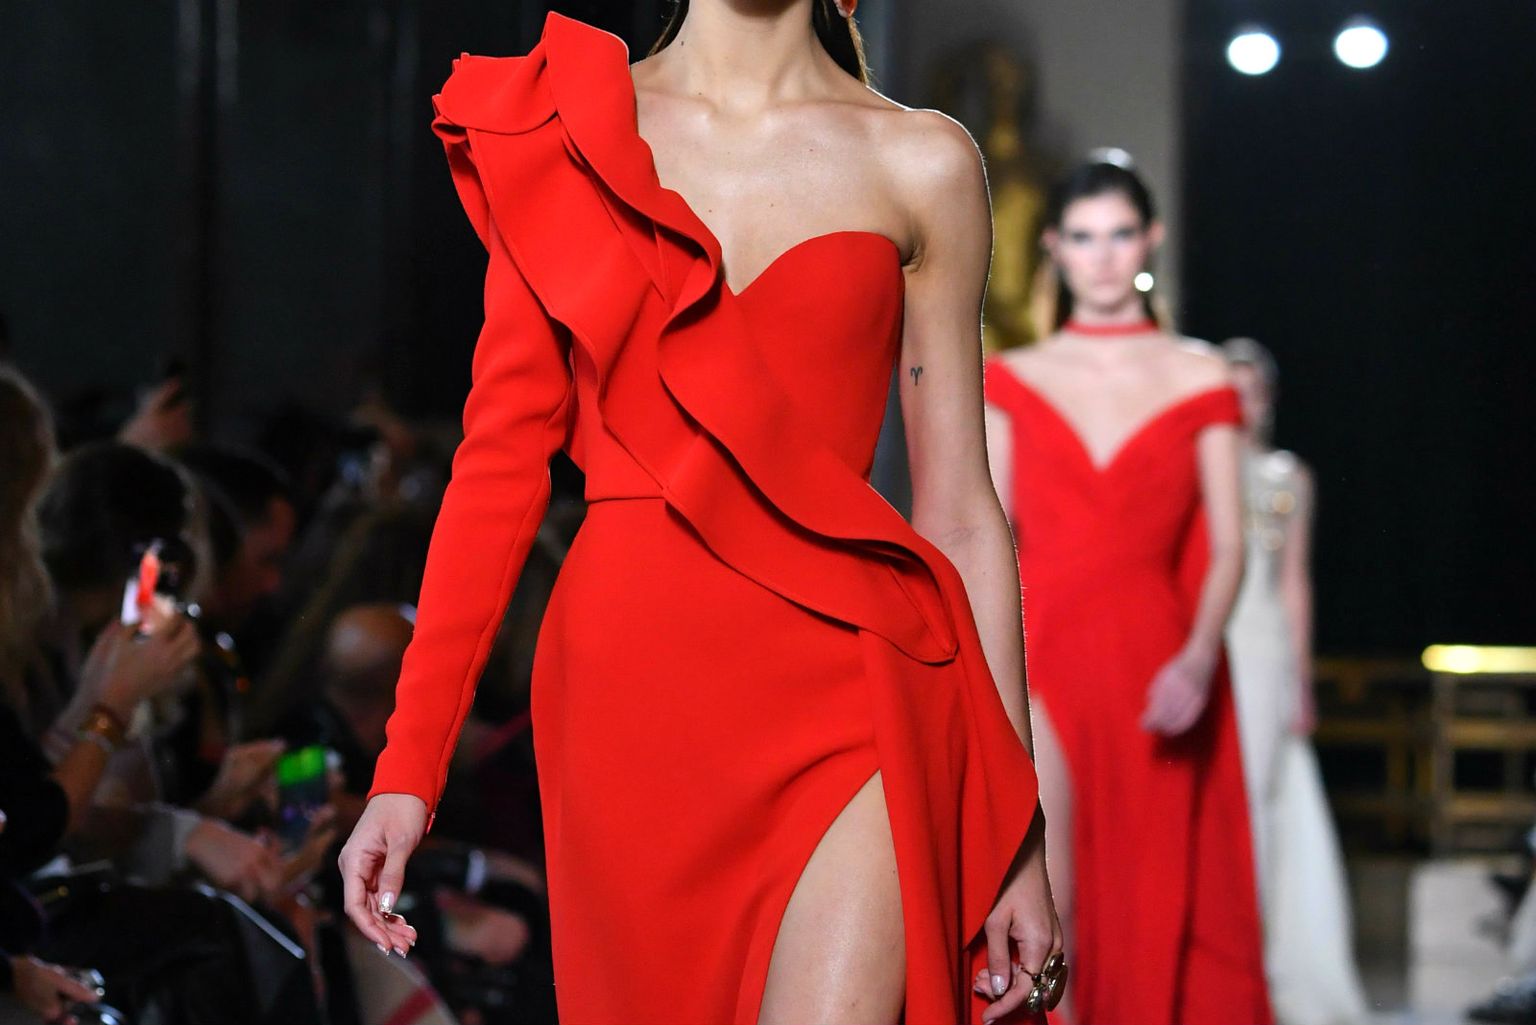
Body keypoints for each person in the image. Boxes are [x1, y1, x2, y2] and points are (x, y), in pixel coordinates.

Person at [338, 2, 1065, 1022]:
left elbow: (960, 513)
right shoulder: (564, 129)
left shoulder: (922, 162)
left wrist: (1014, 822)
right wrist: (407, 767)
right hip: (627, 689)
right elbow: (499, 465)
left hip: (855, 677)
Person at [983, 159, 1270, 1024]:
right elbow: (987, 533)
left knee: (1151, 896)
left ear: (1150, 241)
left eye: (1118, 235)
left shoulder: (1201, 376)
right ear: (1054, 247)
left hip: (1156, 659)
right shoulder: (1012, 379)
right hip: (1043, 654)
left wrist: (1199, 657)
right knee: (1050, 895)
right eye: (1082, 237)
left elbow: (1228, 544)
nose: (1101, 256)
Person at [1222, 337, 1370, 1025]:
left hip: (1262, 648)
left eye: (1253, 389)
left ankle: (1260, 962)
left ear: (1270, 399)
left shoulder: (1289, 477)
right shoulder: (1197, 463)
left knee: (1261, 794)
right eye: (1232, 388)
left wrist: (1301, 677)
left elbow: (1293, 582)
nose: (1243, 401)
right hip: (1205, 640)